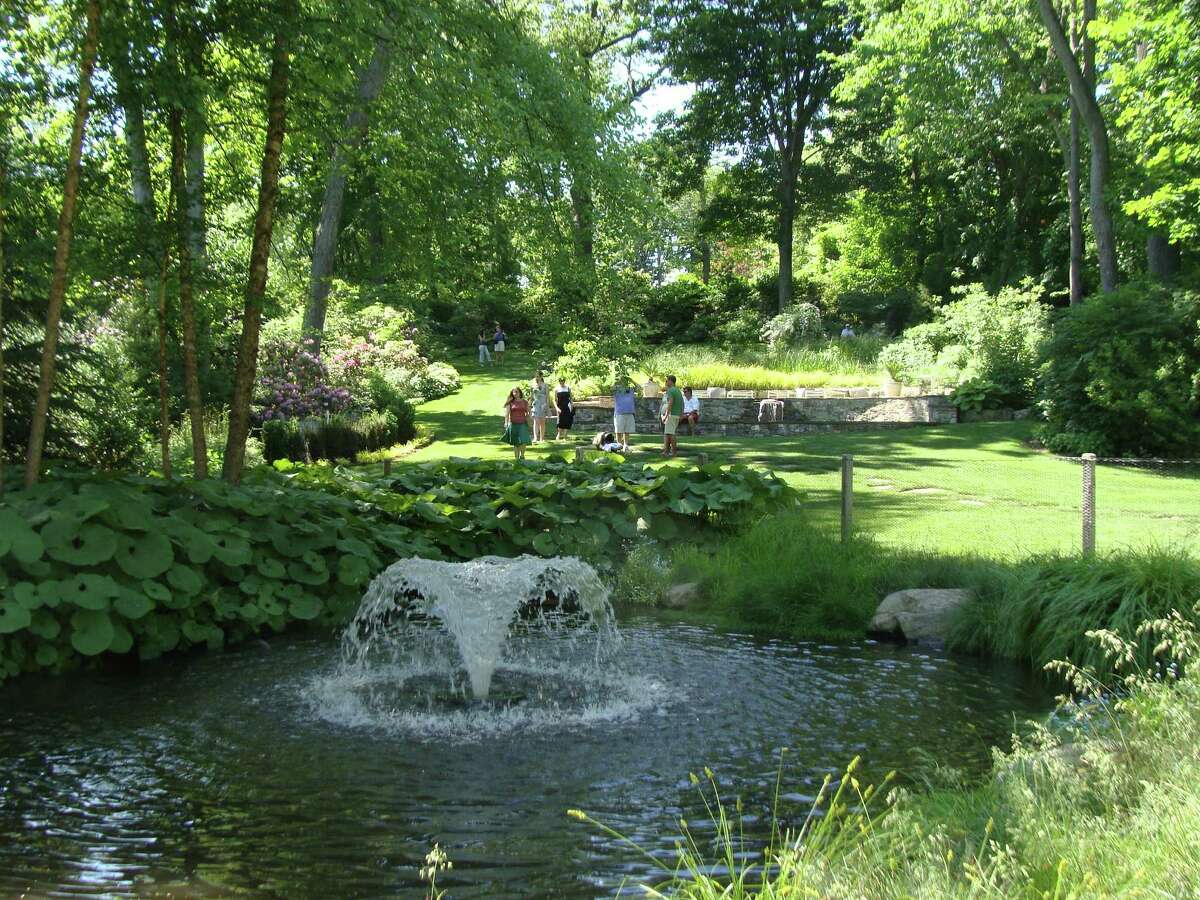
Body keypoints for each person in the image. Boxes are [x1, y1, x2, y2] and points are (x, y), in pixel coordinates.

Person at [503, 387, 532, 460]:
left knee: (524, 441)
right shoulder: (510, 402)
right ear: (512, 393)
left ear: (520, 393)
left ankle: (522, 456)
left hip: (523, 423)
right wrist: (506, 423)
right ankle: (516, 459)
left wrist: (529, 417)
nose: (515, 393)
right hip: (513, 424)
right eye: (514, 392)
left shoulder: (524, 402)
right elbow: (507, 413)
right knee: (515, 443)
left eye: (517, 392)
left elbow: (529, 411)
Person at [660, 374, 684, 457]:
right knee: (668, 433)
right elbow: (682, 403)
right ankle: (666, 451)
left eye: (666, 381)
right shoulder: (678, 391)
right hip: (676, 415)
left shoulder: (671, 390)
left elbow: (670, 403)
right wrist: (681, 414)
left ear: (670, 381)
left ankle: (674, 452)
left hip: (671, 415)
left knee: (671, 433)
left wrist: (666, 415)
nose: (665, 382)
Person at [613, 380, 637, 451]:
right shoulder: (617, 390)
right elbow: (611, 388)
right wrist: (617, 381)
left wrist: (631, 380)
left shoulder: (630, 389)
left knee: (627, 431)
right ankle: (619, 445)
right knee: (618, 431)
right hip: (619, 413)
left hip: (629, 412)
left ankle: (625, 445)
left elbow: (638, 387)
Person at [530, 372, 551, 443]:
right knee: (536, 421)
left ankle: (542, 438)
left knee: (542, 422)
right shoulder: (533, 385)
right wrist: (529, 405)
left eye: (538, 376)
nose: (537, 378)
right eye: (536, 376)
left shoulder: (545, 385)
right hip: (536, 404)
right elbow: (531, 396)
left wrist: (547, 406)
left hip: (543, 404)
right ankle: (535, 438)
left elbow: (548, 397)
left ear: (541, 376)